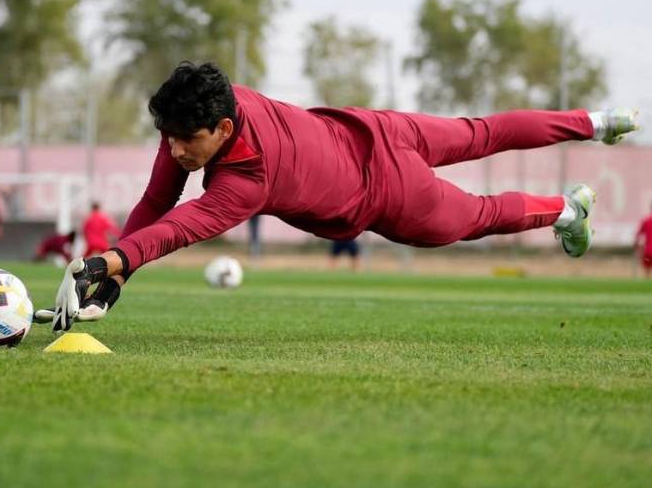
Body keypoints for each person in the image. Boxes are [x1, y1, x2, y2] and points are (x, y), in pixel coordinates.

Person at [36, 62, 640, 330]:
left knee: (477, 217)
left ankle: (567, 208)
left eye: (183, 140)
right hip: (375, 127)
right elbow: (155, 202)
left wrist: (109, 261)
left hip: (390, 194)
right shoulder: (223, 98)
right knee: (480, 131)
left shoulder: (246, 181)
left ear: (222, 128)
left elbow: (177, 226)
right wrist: (118, 272)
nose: (172, 150)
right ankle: (596, 121)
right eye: (165, 136)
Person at [635, 204, 652, 278]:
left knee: (646, 273)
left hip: (648, 251)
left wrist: (637, 247)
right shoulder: (646, 221)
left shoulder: (646, 221)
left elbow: (638, 236)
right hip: (648, 251)